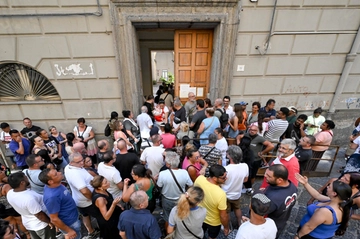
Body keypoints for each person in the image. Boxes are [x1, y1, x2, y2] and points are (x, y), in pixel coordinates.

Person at [295, 173, 353, 239]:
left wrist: (298, 236)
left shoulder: (325, 212)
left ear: (334, 193)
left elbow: (309, 227)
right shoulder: (341, 203)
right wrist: (305, 184)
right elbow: (317, 195)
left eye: (329, 186)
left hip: (310, 236)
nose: (327, 187)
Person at [7, 172, 56, 239]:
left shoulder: (10, 193)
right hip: (41, 225)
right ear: (22, 183)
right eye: (26, 177)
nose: (27, 178)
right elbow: (39, 215)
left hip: (28, 223)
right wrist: (49, 222)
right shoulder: (29, 198)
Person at [64, 153, 100, 238]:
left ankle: (91, 231)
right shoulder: (75, 174)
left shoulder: (68, 167)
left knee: (85, 215)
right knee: (100, 216)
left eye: (82, 160)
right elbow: (84, 191)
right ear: (72, 162)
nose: (82, 163)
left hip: (79, 200)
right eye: (78, 162)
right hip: (87, 201)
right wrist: (94, 199)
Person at [39, 168, 81, 239]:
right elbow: (54, 219)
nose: (60, 173)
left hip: (73, 217)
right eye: (56, 174)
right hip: (70, 223)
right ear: (50, 181)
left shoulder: (56, 184)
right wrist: (69, 230)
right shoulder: (52, 197)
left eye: (57, 171)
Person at [157, 152, 193, 228]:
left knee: (167, 217)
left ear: (168, 164)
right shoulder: (184, 172)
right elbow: (190, 185)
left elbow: (159, 186)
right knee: (181, 216)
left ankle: (169, 233)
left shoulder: (162, 173)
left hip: (167, 199)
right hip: (181, 199)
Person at [194, 164, 229, 239]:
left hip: (200, 216)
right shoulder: (221, 194)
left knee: (200, 234)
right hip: (214, 222)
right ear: (215, 178)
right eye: (223, 177)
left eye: (226, 175)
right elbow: (223, 216)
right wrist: (226, 227)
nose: (226, 178)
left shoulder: (199, 179)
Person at [263, 165, 297, 238]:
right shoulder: (292, 186)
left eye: (269, 176)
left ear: (280, 180)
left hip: (269, 227)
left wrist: (259, 194)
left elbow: (259, 212)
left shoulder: (273, 198)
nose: (265, 176)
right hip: (282, 221)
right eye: (266, 173)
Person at [238, 125, 274, 194]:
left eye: (254, 130)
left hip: (255, 160)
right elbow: (239, 136)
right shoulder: (246, 135)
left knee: (253, 175)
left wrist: (262, 152)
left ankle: (249, 188)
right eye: (251, 129)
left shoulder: (260, 138)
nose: (252, 131)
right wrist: (238, 143)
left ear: (257, 131)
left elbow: (271, 146)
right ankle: (246, 187)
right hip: (246, 159)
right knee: (246, 174)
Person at [222, 145, 248, 226]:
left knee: (227, 212)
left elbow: (221, 182)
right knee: (237, 208)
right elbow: (245, 180)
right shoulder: (245, 166)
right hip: (237, 193)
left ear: (229, 156)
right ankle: (240, 224)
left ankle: (228, 226)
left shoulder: (225, 169)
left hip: (225, 195)